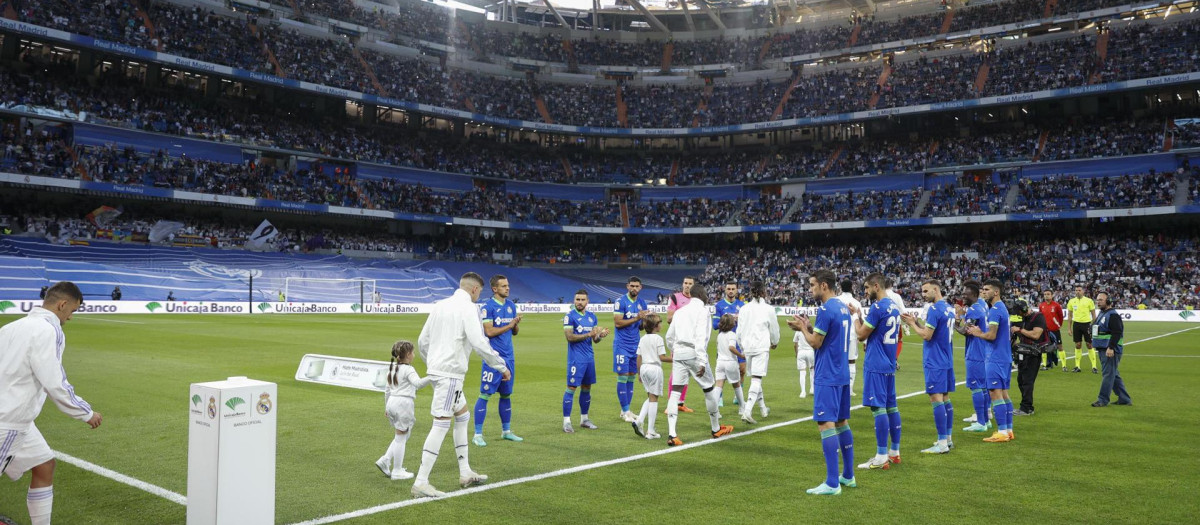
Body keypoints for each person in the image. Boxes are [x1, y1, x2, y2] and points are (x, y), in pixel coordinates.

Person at [0, 281, 103, 525]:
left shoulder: (11, 327)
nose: (71, 317)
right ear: (62, 304)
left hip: (20, 421)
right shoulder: (49, 329)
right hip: (9, 419)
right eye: (73, 311)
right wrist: (85, 413)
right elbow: (54, 381)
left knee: (45, 464)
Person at [411, 272, 510, 498]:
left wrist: (433, 364)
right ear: (475, 290)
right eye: (480, 292)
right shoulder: (470, 308)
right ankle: (421, 481)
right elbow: (479, 342)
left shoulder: (439, 305)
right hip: (450, 375)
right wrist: (500, 366)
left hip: (439, 371)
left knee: (463, 416)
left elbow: (422, 341)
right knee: (441, 424)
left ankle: (465, 471)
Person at [788, 270, 855, 496]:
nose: (810, 289)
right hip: (843, 372)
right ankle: (848, 475)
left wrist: (801, 329)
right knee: (841, 422)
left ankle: (832, 483)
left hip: (828, 373)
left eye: (812, 285)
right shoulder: (843, 307)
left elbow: (816, 343)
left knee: (825, 424)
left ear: (824, 286)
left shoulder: (826, 309)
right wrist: (808, 326)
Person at [663, 283, 733, 446]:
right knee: (709, 389)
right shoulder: (703, 312)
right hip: (695, 353)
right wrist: (702, 360)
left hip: (679, 352)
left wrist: (676, 349)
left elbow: (669, 336)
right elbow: (702, 337)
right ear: (702, 295)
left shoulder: (680, 312)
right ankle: (716, 429)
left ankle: (672, 434)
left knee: (675, 392)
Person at [852, 273, 902, 470]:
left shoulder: (878, 307)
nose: (865, 292)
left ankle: (881, 456)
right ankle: (894, 452)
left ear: (876, 286)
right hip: (889, 362)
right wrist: (863, 318)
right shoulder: (893, 307)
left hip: (876, 364)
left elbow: (861, 334)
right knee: (891, 407)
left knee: (878, 408)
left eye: (866, 288)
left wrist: (856, 317)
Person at [901, 279, 956, 454]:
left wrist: (911, 325)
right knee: (945, 397)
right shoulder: (948, 307)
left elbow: (927, 335)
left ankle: (941, 444)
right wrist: (916, 322)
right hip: (946, 359)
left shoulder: (934, 309)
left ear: (935, 289)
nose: (923, 295)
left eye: (926, 291)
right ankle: (947, 439)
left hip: (935, 360)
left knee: (936, 399)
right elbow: (935, 330)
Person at [472, 275, 523, 447]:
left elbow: (514, 333)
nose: (507, 288)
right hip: (493, 357)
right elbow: (490, 332)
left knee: (506, 394)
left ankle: (506, 431)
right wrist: (510, 325)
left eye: (508, 285)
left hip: (509, 357)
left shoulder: (511, 305)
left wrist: (515, 324)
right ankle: (477, 434)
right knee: (485, 394)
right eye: (503, 286)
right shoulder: (487, 307)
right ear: (495, 289)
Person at [967, 279, 1015, 443]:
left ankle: (1002, 431)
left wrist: (977, 333)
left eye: (987, 289)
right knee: (1004, 394)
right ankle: (1008, 430)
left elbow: (992, 335)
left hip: (995, 358)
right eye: (983, 289)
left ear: (996, 292)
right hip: (1004, 357)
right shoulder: (1002, 308)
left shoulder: (995, 310)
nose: (984, 292)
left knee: (995, 393)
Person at [376, 340, 430, 481]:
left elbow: (387, 390)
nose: (414, 354)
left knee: (403, 435)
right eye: (412, 352)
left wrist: (386, 407)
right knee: (401, 437)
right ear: (407, 354)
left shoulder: (393, 368)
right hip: (403, 404)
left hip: (392, 402)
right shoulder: (409, 369)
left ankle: (386, 460)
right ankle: (397, 470)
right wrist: (432, 377)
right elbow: (418, 384)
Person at [563, 289, 609, 433]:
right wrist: (589, 333)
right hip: (576, 359)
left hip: (589, 358)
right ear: (574, 301)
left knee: (587, 388)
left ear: (587, 301)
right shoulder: (569, 316)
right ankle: (566, 422)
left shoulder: (592, 317)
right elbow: (569, 337)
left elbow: (595, 340)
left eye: (583, 300)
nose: (580, 302)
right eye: (577, 299)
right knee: (571, 388)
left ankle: (584, 419)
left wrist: (600, 335)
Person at [736, 281, 779, 424]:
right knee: (757, 379)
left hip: (747, 347)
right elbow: (774, 329)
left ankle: (763, 408)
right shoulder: (768, 309)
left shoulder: (744, 309)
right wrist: (774, 342)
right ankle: (747, 411)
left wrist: (742, 347)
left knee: (755, 377)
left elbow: (739, 331)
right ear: (763, 292)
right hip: (761, 347)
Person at [955, 281, 993, 433]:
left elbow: (965, 331)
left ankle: (981, 422)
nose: (963, 296)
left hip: (975, 352)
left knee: (976, 387)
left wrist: (955, 322)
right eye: (962, 294)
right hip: (984, 350)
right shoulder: (982, 305)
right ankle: (986, 420)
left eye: (966, 294)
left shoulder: (974, 310)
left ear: (975, 295)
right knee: (983, 387)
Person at [613, 277, 649, 422]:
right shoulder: (620, 301)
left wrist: (645, 320)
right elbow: (618, 323)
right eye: (632, 286)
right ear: (627, 286)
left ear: (641, 288)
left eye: (637, 286)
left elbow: (640, 326)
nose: (634, 288)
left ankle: (625, 411)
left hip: (636, 344)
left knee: (631, 377)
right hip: (622, 344)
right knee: (623, 375)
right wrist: (636, 318)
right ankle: (626, 411)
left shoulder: (642, 303)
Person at [632, 314, 670, 439]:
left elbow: (638, 356)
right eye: (660, 322)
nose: (661, 324)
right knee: (654, 399)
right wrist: (675, 359)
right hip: (654, 368)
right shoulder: (658, 338)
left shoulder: (643, 338)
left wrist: (639, 373)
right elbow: (662, 357)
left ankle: (639, 420)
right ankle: (651, 431)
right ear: (655, 325)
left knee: (650, 396)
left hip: (644, 368)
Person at [1091, 292, 1132, 407]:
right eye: (1097, 300)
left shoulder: (1113, 315)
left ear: (1108, 301)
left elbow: (1117, 332)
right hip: (1103, 348)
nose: (1098, 302)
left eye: (1101, 300)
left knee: (1108, 374)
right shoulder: (1102, 313)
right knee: (1113, 374)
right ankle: (1124, 398)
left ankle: (1103, 399)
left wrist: (1111, 347)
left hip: (1109, 349)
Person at [1011, 300, 1048, 416]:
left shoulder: (1038, 317)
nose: (1018, 315)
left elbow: (1036, 335)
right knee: (1021, 380)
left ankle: (1026, 408)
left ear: (1024, 309)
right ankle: (1026, 405)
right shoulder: (1024, 319)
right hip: (1023, 352)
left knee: (1027, 381)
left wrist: (1020, 330)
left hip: (1033, 354)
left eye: (1019, 312)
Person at [665, 276, 696, 413]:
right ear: (682, 284)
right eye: (685, 283)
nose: (687, 286)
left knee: (687, 373)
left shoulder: (696, 301)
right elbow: (669, 319)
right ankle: (670, 404)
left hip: (692, 340)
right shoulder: (675, 298)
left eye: (690, 284)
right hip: (678, 340)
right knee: (675, 372)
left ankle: (680, 403)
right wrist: (684, 315)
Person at [712, 281, 745, 407]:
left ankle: (738, 397)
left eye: (733, 289)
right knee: (722, 374)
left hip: (739, 342)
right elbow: (715, 325)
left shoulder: (742, 305)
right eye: (728, 289)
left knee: (742, 370)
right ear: (725, 290)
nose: (731, 291)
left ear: (737, 290)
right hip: (725, 343)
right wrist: (729, 319)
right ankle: (719, 398)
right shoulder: (719, 305)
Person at [713, 314, 745, 416]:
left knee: (718, 386)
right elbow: (731, 347)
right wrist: (741, 355)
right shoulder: (732, 334)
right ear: (731, 324)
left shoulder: (719, 335)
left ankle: (715, 411)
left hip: (720, 362)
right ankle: (742, 408)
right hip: (730, 362)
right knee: (737, 385)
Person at [838, 280, 864, 396]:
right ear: (852, 287)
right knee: (851, 361)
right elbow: (861, 319)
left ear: (840, 287)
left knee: (838, 361)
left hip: (838, 335)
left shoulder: (836, 301)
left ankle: (838, 387)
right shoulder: (856, 303)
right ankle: (850, 389)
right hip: (852, 335)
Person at [1065, 286, 1098, 373]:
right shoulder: (1071, 301)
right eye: (1076, 290)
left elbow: (1094, 314)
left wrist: (1094, 326)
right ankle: (1077, 366)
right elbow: (1070, 316)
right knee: (1078, 345)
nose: (1077, 292)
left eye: (1079, 290)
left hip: (1087, 324)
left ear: (1083, 291)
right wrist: (1069, 328)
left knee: (1089, 345)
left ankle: (1094, 366)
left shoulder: (1089, 301)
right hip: (1076, 325)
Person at [1038, 290, 1064, 370]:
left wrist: (1058, 325)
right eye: (1045, 294)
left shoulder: (1056, 305)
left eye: (1048, 294)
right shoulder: (1041, 305)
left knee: (1059, 346)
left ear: (1052, 295)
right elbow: (1041, 317)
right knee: (1045, 346)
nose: (1046, 296)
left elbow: (1061, 316)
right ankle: (1046, 364)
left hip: (1055, 330)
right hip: (1045, 330)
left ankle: (1064, 366)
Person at [794, 322, 816, 398]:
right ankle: (812, 388)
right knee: (812, 370)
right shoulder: (811, 330)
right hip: (810, 352)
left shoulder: (798, 331)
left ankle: (803, 392)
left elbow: (795, 344)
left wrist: (796, 353)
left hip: (801, 352)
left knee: (802, 372)